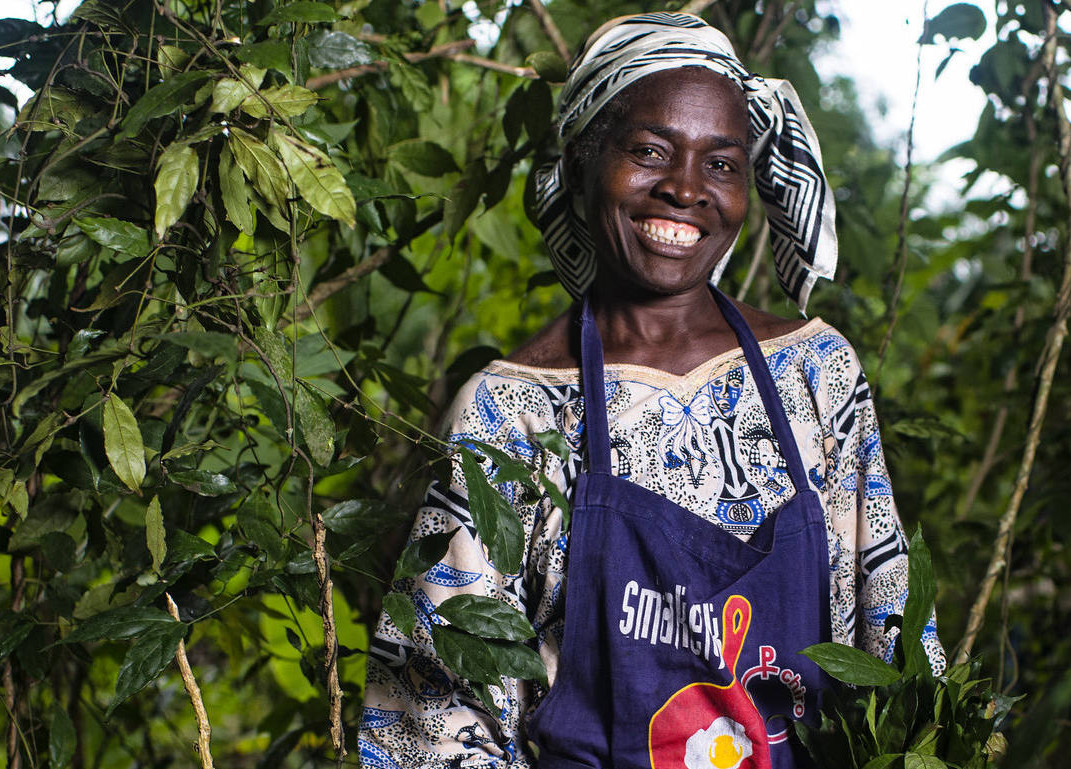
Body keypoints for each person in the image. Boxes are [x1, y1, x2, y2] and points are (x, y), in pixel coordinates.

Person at [359, 12, 944, 769]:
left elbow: (892, 641)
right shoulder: (510, 412)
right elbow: (432, 718)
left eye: (721, 164)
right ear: (583, 160)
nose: (684, 188)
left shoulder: (815, 373)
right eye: (649, 151)